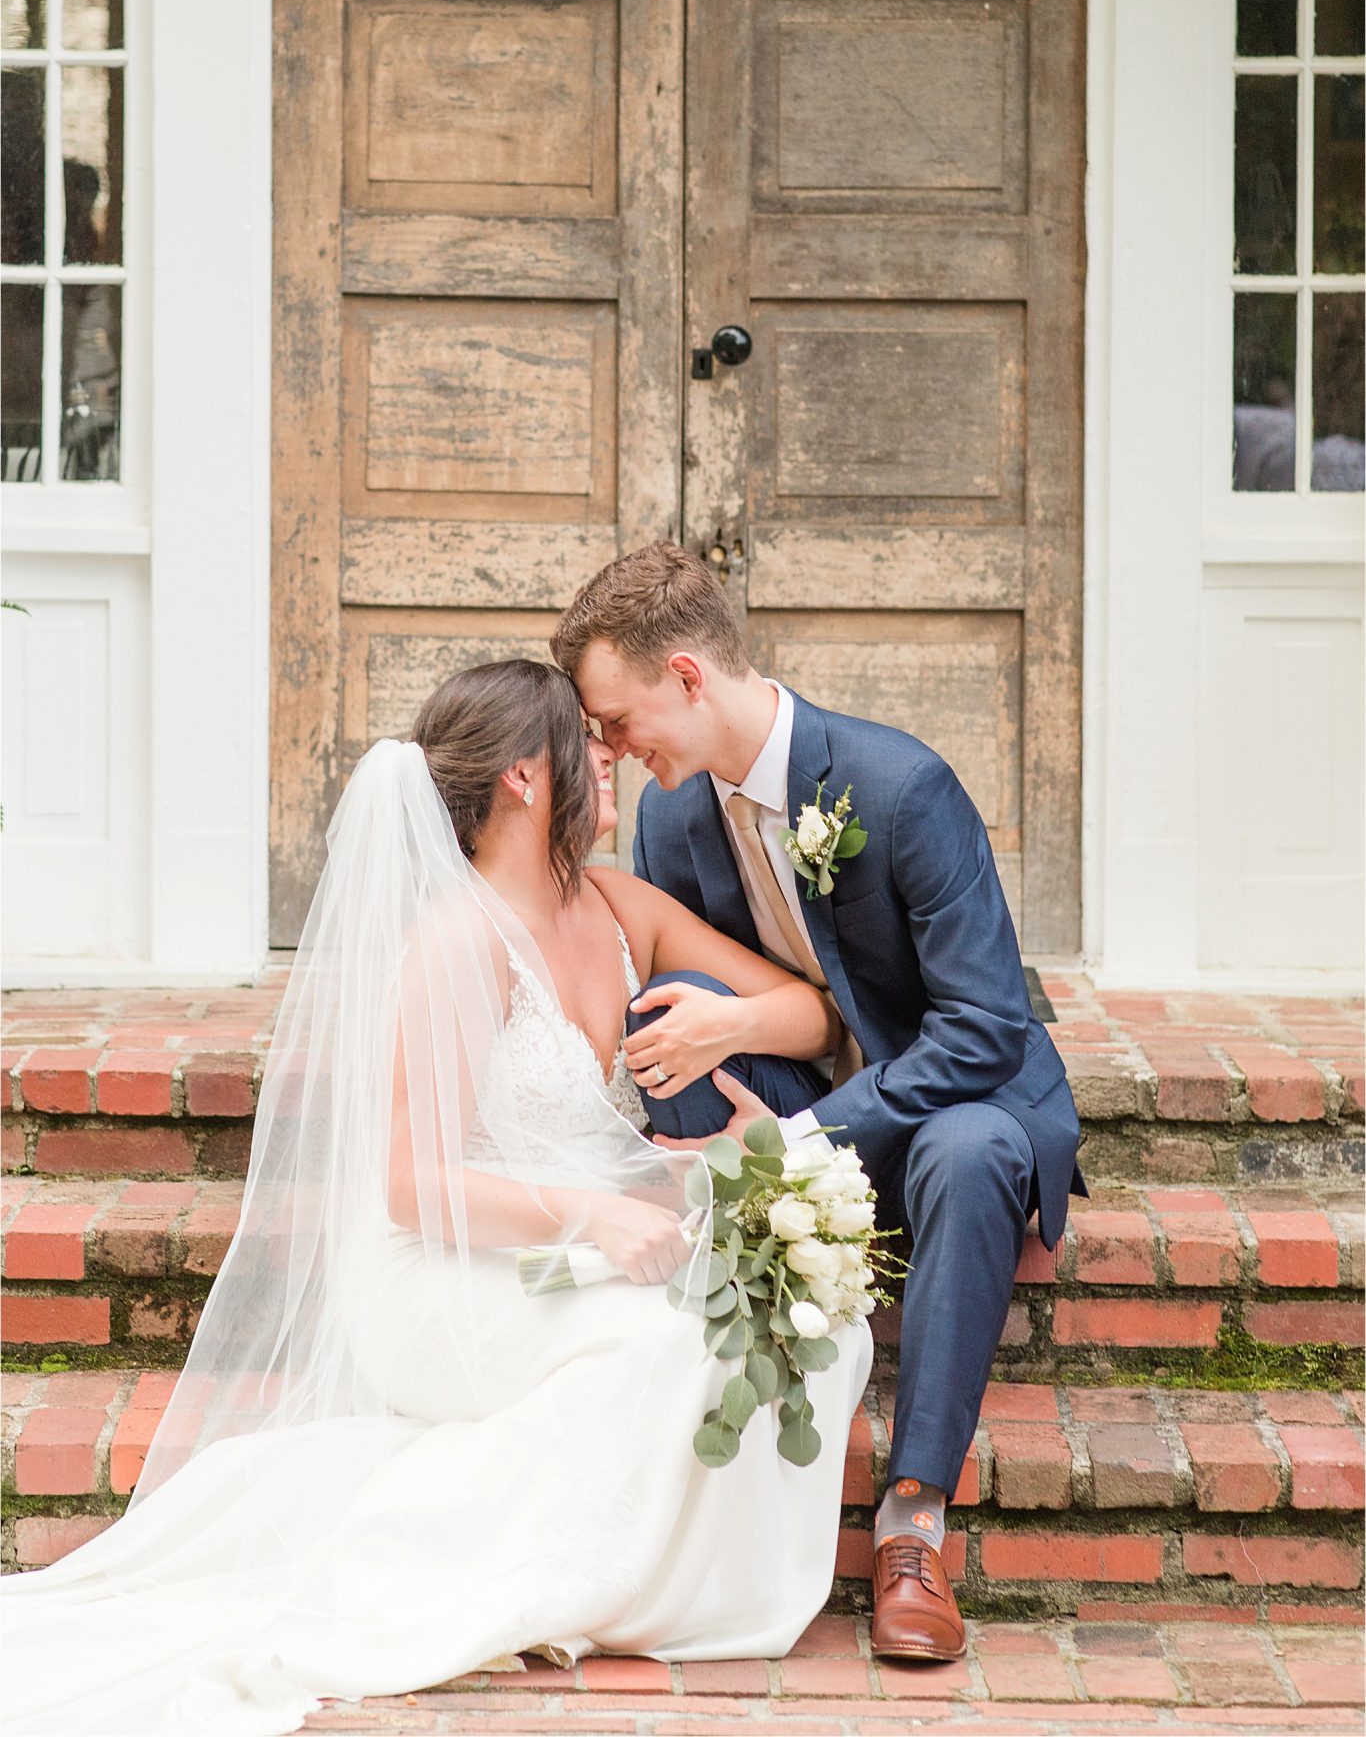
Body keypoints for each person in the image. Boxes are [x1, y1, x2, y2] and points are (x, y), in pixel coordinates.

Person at [2, 661, 872, 1736]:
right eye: (588, 752)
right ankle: (497, 1570)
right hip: (439, 1273)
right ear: (522, 775)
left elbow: (813, 1012)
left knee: (803, 1321)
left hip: (563, 1248)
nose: (613, 765)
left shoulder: (615, 906)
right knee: (653, 1349)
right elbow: (415, 1188)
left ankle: (654, 1580)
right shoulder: (458, 939)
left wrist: (719, 1074)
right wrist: (596, 1214)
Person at [553, 543, 1087, 1663]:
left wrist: (795, 1135)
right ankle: (716, 1407)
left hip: (953, 1098)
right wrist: (730, 1035)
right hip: (806, 1087)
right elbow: (752, 1002)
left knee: (973, 1152)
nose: (606, 749)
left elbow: (983, 1027)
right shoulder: (673, 821)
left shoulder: (900, 786)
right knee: (681, 1001)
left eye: (612, 719)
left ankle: (912, 1522)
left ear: (687, 676)